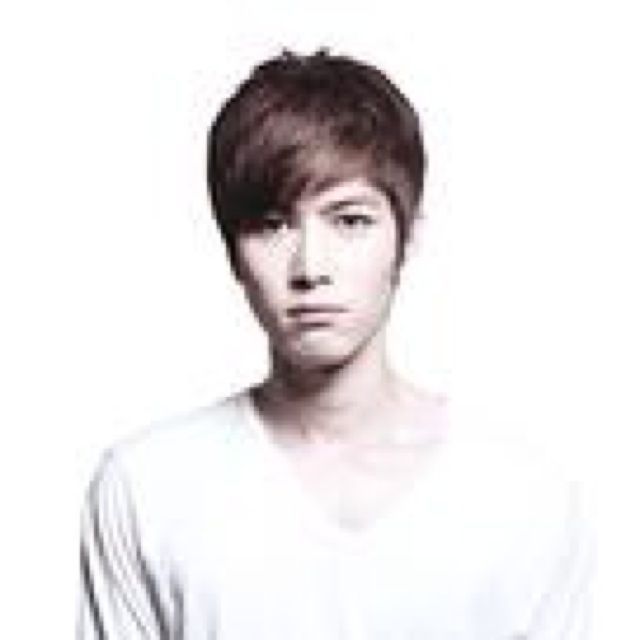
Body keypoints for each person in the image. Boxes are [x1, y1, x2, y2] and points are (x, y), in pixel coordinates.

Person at [77, 50, 593, 639]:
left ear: (407, 237)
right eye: (271, 225)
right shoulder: (147, 486)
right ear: (232, 254)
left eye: (349, 220)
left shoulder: (523, 497)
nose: (310, 267)